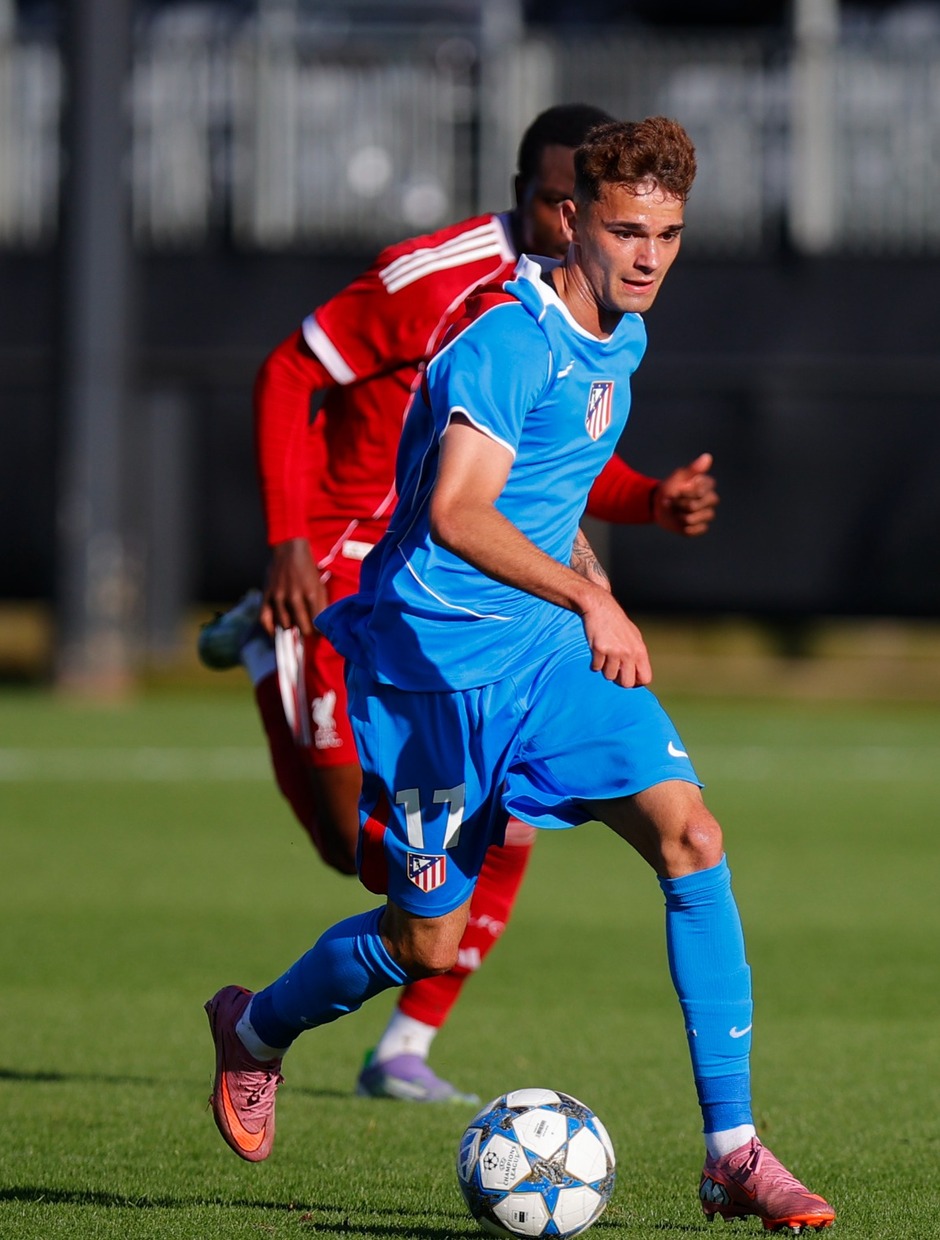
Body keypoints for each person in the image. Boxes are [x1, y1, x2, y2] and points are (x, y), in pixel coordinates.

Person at [204, 115, 836, 1232]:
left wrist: (602, 559)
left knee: (691, 836)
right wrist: (593, 595)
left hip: (543, 668)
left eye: (669, 234)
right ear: (568, 220)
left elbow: (555, 485)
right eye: (626, 230)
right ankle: (255, 1030)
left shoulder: (622, 335)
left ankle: (732, 1151)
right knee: (420, 941)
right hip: (432, 681)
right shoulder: (505, 337)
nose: (648, 256)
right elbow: (454, 511)